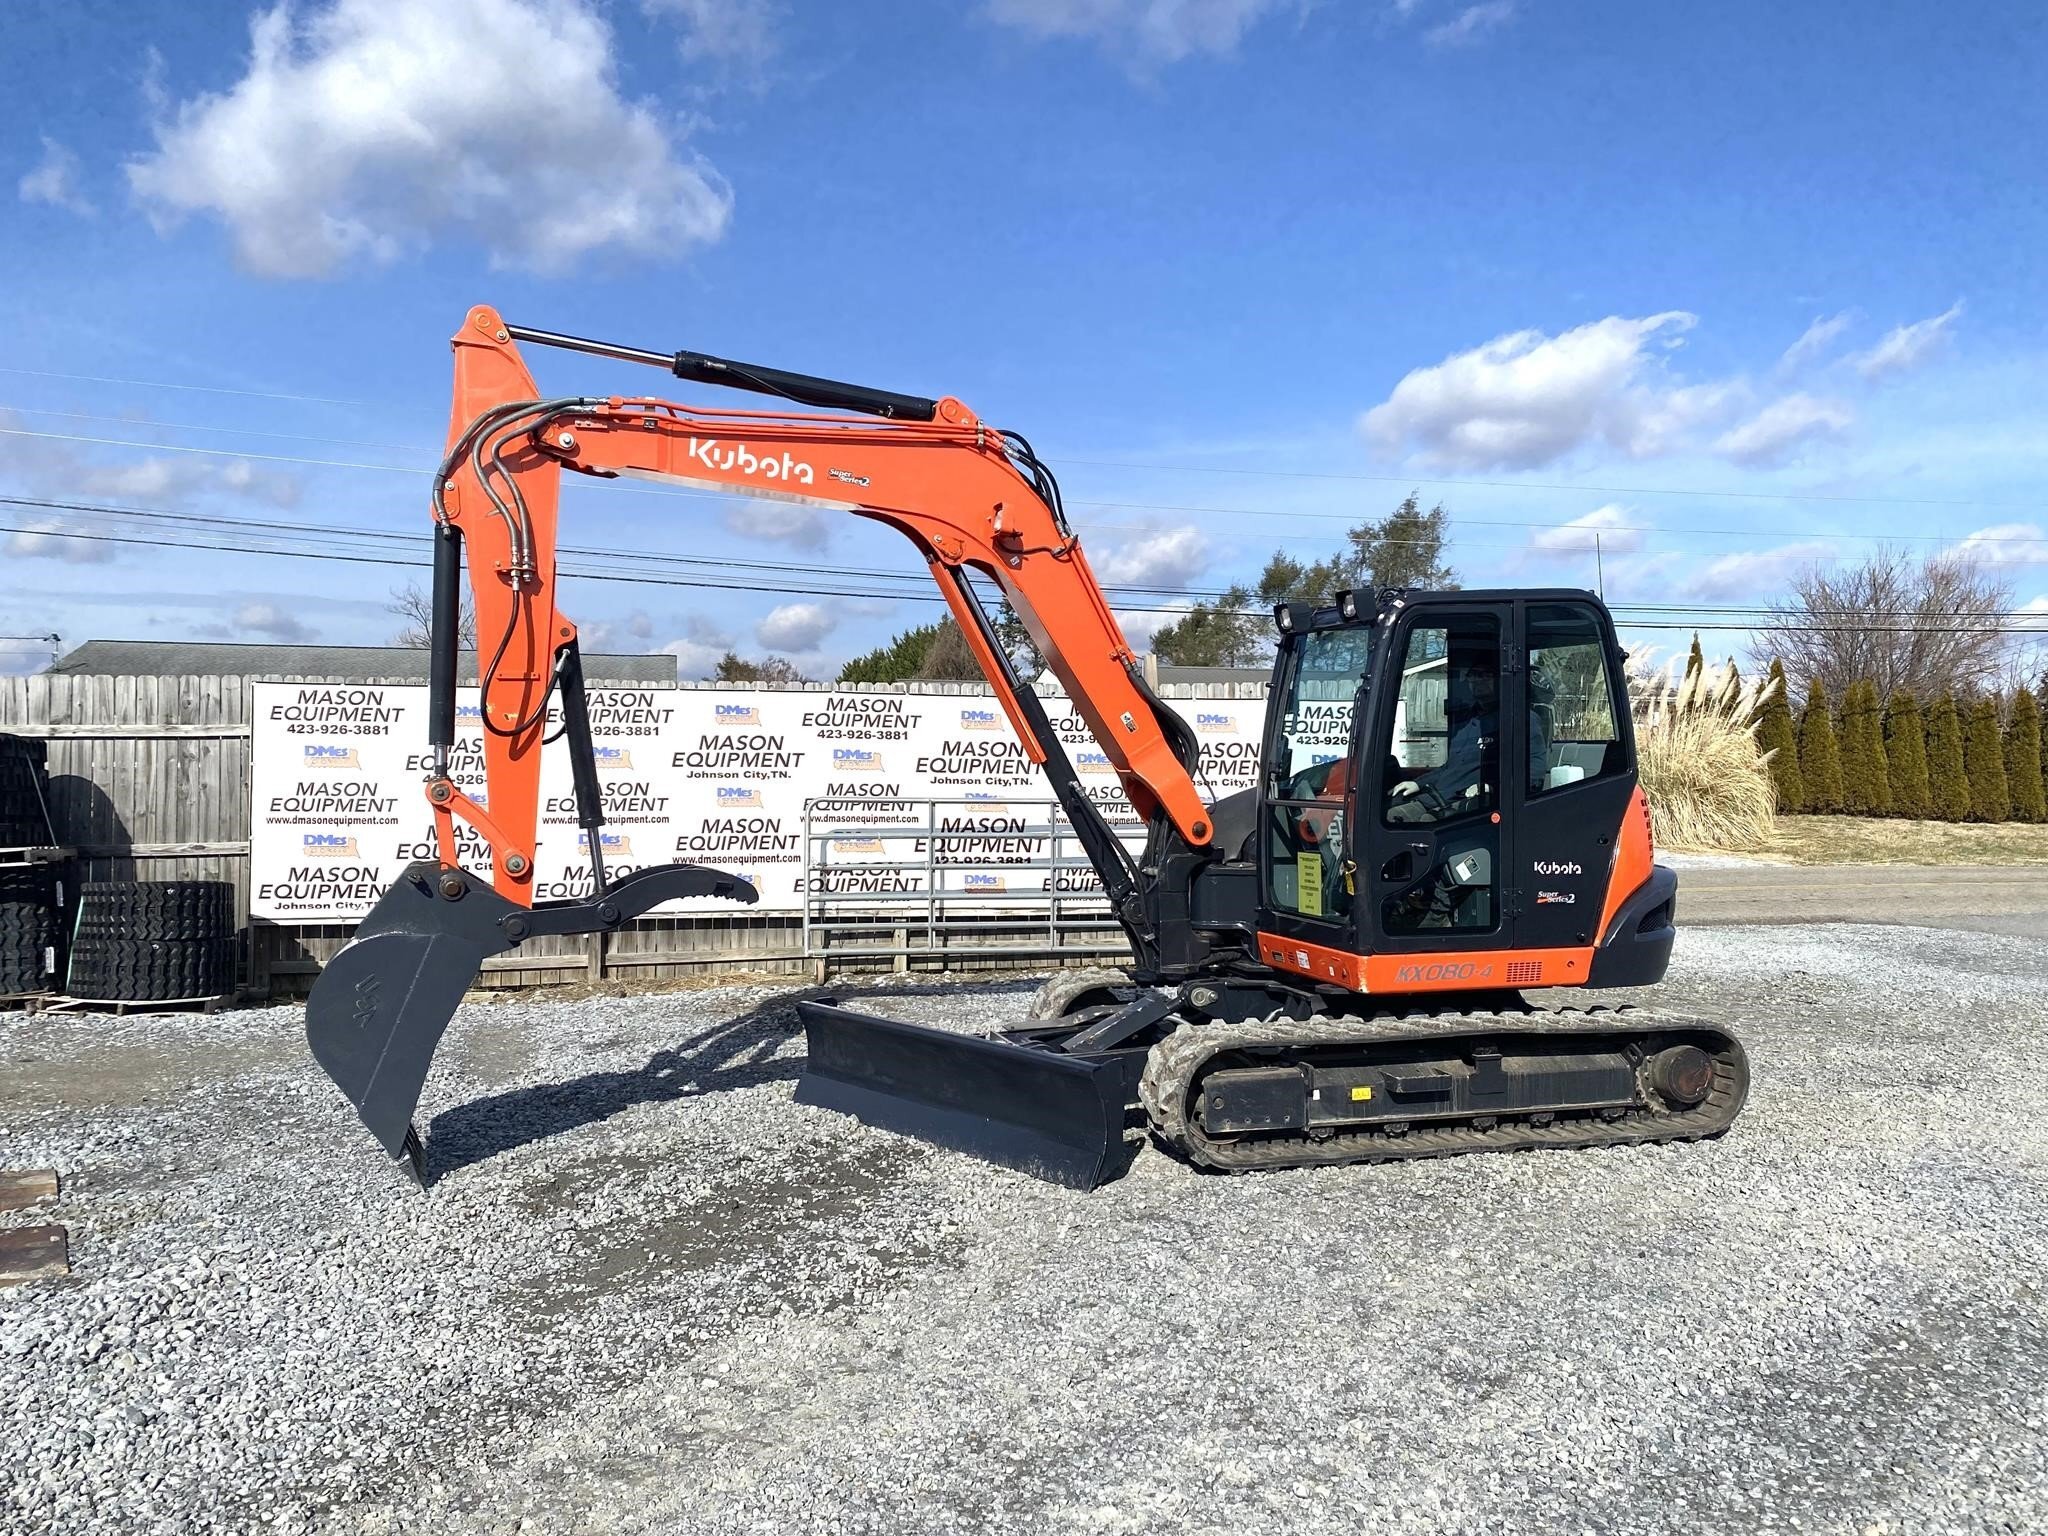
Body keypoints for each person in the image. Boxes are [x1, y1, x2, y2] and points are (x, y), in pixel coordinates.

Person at [1386, 658, 1551, 822]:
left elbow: (1534, 769)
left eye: (1485, 675)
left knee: (1427, 822)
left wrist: (1492, 787)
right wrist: (1417, 783)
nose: (1478, 680)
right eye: (1473, 675)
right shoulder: (1467, 722)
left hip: (1473, 803)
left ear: (1501, 680)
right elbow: (1450, 768)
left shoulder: (1520, 718)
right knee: (1392, 813)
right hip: (1438, 797)